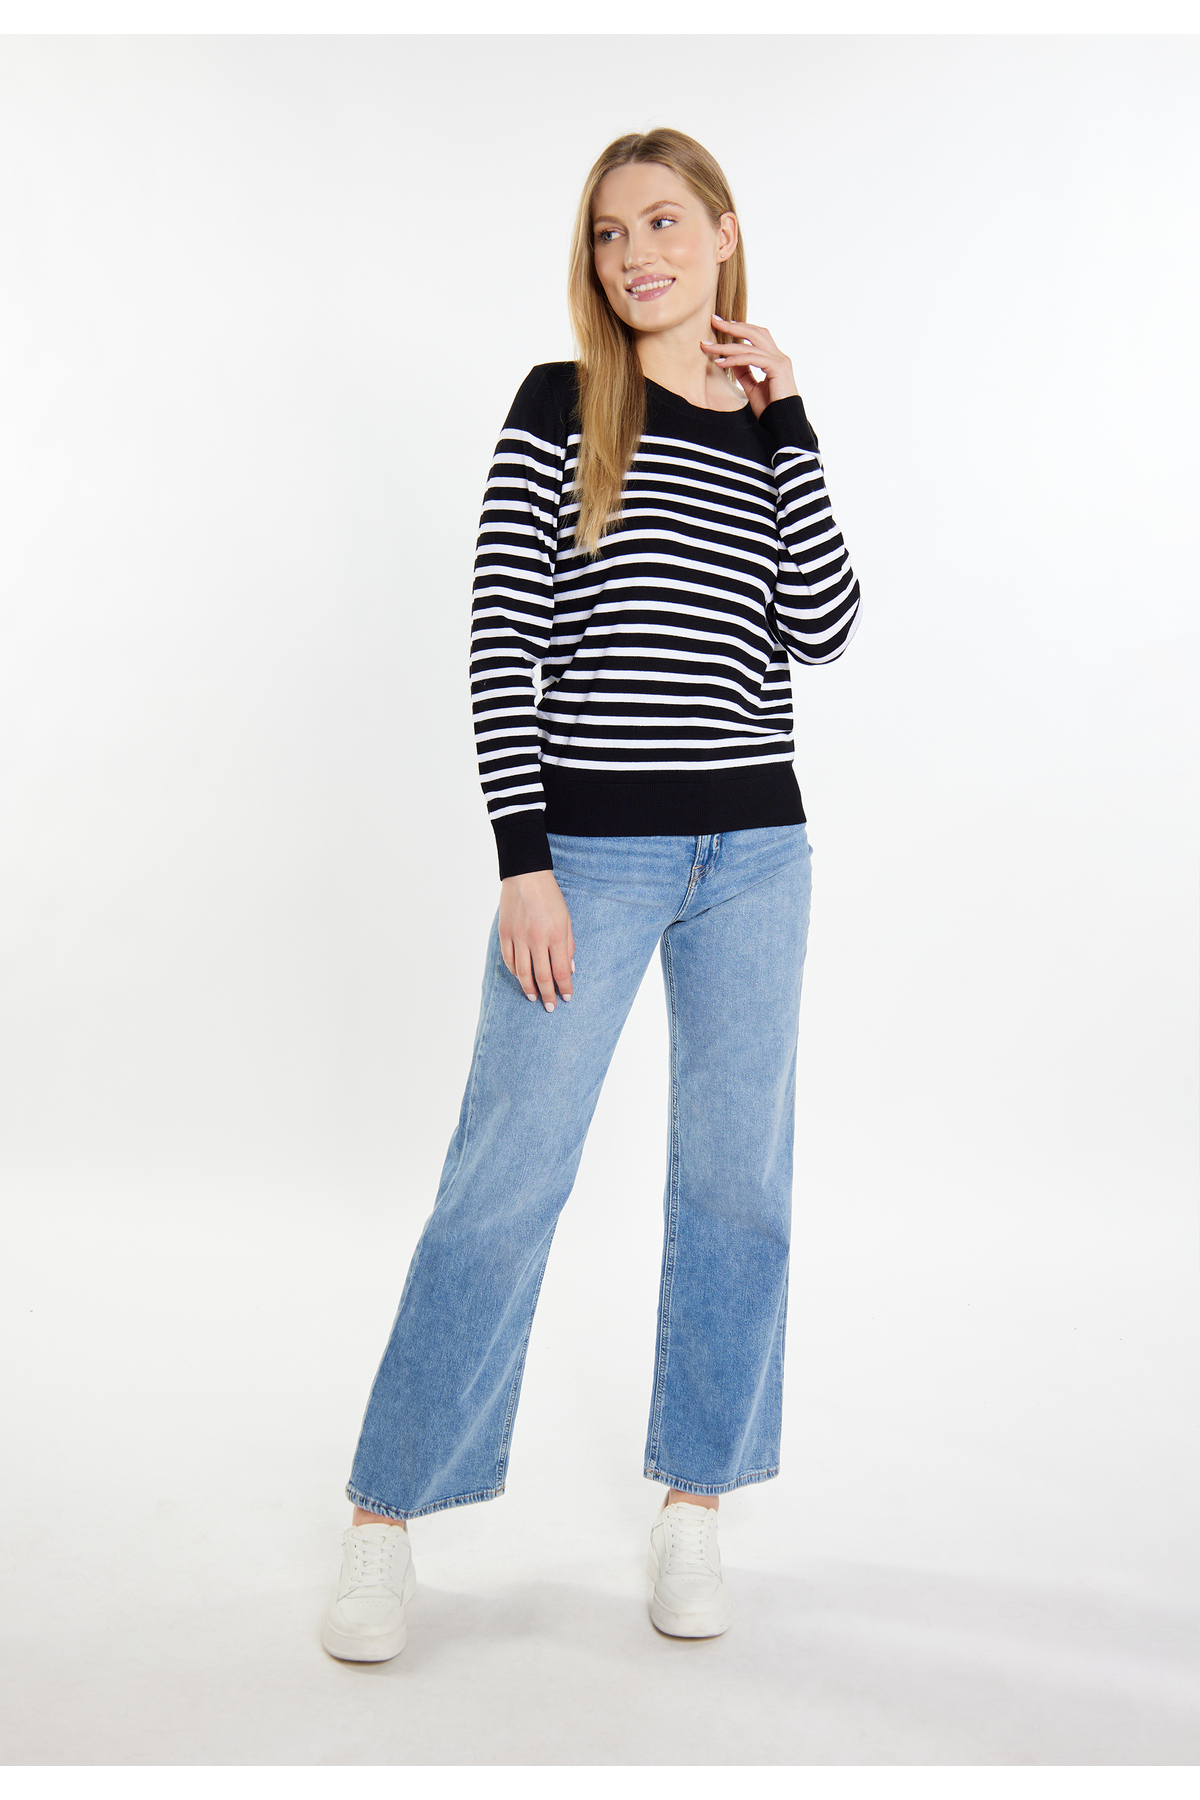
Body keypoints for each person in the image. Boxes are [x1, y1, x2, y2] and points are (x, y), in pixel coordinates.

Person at [321, 127, 861, 1663]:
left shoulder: (765, 426)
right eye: (613, 232)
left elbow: (826, 626)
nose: (638, 254)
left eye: (666, 222)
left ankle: (694, 1507)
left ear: (724, 233)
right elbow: (505, 639)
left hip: (756, 858)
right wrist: (525, 863)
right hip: (592, 864)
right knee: (504, 1180)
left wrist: (791, 412)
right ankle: (384, 1519)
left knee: (737, 1188)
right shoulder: (561, 405)